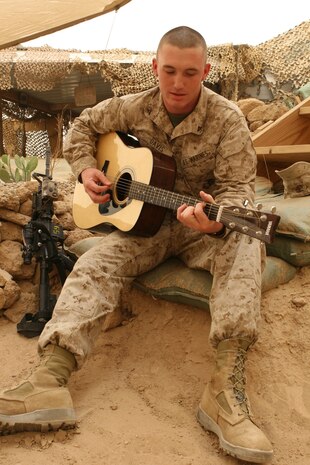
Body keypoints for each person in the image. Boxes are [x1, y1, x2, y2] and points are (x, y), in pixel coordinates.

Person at [0, 26, 273, 463]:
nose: (178, 83)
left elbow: (240, 189)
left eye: (189, 73)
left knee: (245, 239)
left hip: (200, 228)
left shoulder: (227, 119)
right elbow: (83, 127)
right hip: (144, 228)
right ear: (155, 68)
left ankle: (225, 390)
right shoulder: (134, 106)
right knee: (94, 265)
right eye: (169, 71)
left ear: (206, 70)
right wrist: (88, 169)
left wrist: (215, 221)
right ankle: (49, 381)